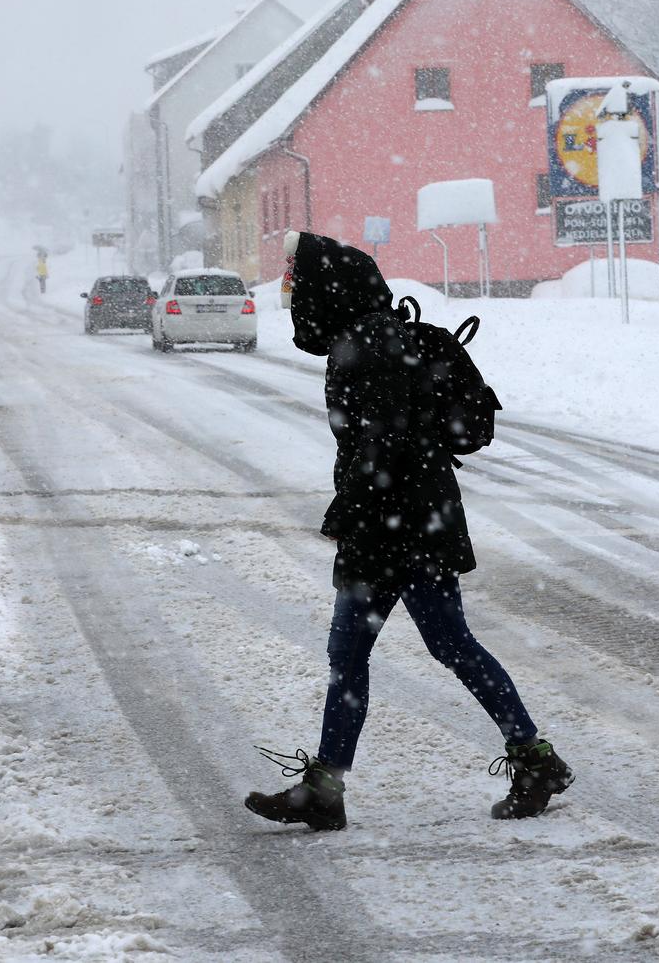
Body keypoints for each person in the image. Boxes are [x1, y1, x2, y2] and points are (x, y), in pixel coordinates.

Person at [245, 230, 572, 831]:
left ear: (329, 291)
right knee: (434, 647)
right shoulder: (377, 335)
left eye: (301, 288)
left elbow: (384, 440)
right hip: (413, 520)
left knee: (373, 654)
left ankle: (529, 759)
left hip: (394, 526)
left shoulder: (367, 344)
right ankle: (530, 759)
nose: (296, 301)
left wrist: (351, 509)